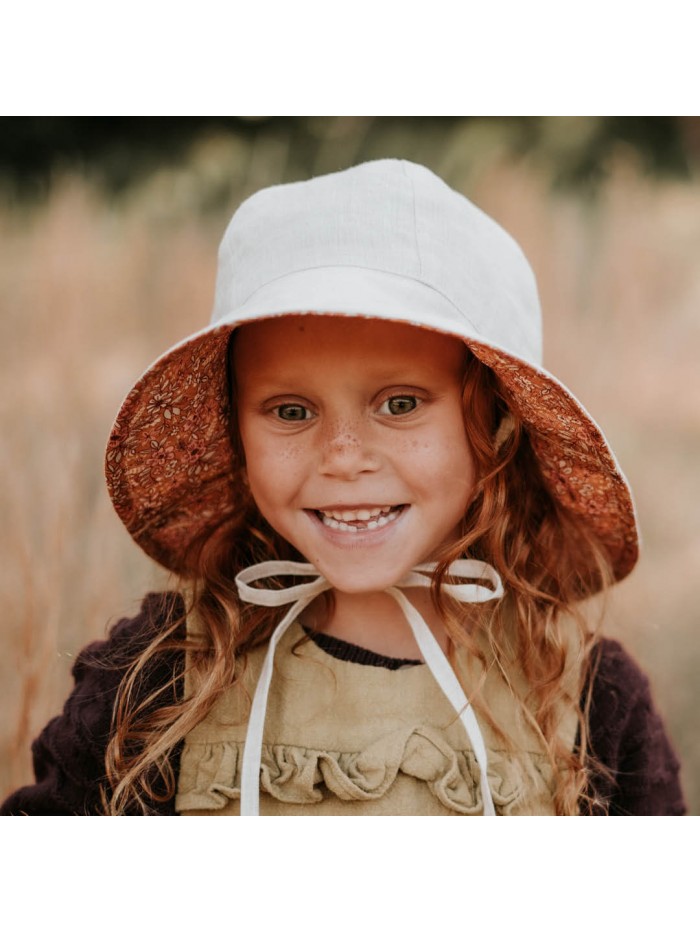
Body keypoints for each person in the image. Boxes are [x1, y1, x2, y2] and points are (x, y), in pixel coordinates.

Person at [1, 159, 685, 816]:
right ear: (236, 433)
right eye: (291, 411)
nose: (343, 457)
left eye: (400, 403)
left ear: (497, 422)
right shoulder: (162, 675)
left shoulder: (588, 701)